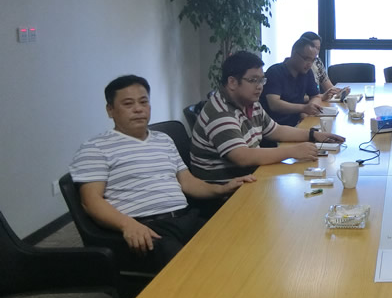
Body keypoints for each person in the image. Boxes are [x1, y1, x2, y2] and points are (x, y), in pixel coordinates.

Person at [70, 75, 256, 270]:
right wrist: (127, 225)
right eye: (128, 104)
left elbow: (188, 182)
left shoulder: (163, 140)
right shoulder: (95, 148)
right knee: (195, 268)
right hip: (146, 228)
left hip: (185, 218)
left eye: (143, 102)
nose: (138, 109)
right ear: (110, 110)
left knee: (237, 245)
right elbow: (91, 201)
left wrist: (223, 188)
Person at [191, 51, 345, 182]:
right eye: (253, 80)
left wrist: (314, 135)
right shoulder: (220, 112)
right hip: (225, 193)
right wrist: (293, 151)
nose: (259, 86)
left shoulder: (250, 103)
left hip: (249, 177)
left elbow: (275, 130)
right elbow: (242, 156)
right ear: (232, 82)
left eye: (261, 80)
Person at [261, 37, 327, 125]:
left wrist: (310, 108)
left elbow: (316, 96)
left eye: (312, 60)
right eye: (306, 59)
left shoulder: (307, 72)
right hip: (276, 126)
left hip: (297, 123)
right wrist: (304, 108)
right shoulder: (275, 72)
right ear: (294, 54)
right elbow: (274, 104)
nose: (309, 64)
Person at [299, 31, 350, 101]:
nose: (316, 51)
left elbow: (329, 87)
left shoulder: (317, 62)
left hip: (315, 102)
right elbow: (296, 98)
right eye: (313, 47)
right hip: (304, 104)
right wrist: (322, 96)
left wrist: (340, 91)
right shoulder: (298, 65)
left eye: (318, 48)